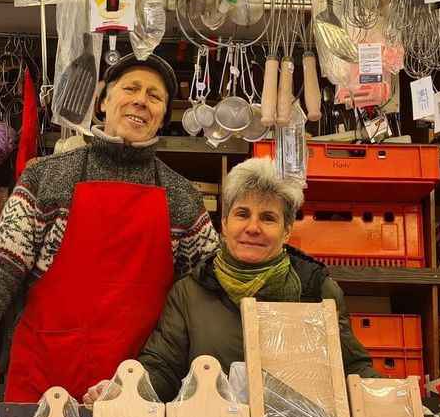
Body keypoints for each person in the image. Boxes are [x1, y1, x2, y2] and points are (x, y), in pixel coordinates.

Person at [0, 54, 220, 403]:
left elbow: (209, 295)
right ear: (103, 101)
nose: (141, 101)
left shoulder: (183, 199)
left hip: (137, 392)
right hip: (45, 381)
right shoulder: (46, 177)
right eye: (131, 88)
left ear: (162, 116)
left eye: (154, 96)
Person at [89, 156, 380, 403]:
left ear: (287, 230)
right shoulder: (191, 292)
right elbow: (163, 367)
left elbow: (352, 367)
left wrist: (392, 402)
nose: (253, 227)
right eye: (242, 214)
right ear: (224, 223)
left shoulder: (316, 290)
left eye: (268, 218)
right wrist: (125, 391)